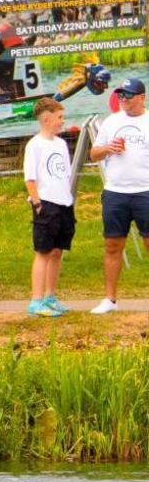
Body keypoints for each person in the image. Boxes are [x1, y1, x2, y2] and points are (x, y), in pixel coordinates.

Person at [90, 76, 149, 315]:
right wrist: (108, 148)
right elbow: (94, 154)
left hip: (145, 191)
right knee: (113, 245)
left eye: (128, 95)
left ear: (142, 97)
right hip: (115, 192)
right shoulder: (111, 122)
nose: (123, 99)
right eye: (121, 95)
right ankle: (110, 300)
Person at [26, 96, 75, 317]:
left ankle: (50, 296)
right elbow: (30, 178)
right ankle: (36, 300)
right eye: (59, 117)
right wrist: (37, 203)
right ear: (46, 120)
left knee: (57, 251)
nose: (62, 121)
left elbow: (64, 173)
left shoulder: (61, 144)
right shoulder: (34, 145)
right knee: (43, 251)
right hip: (46, 203)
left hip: (64, 202)